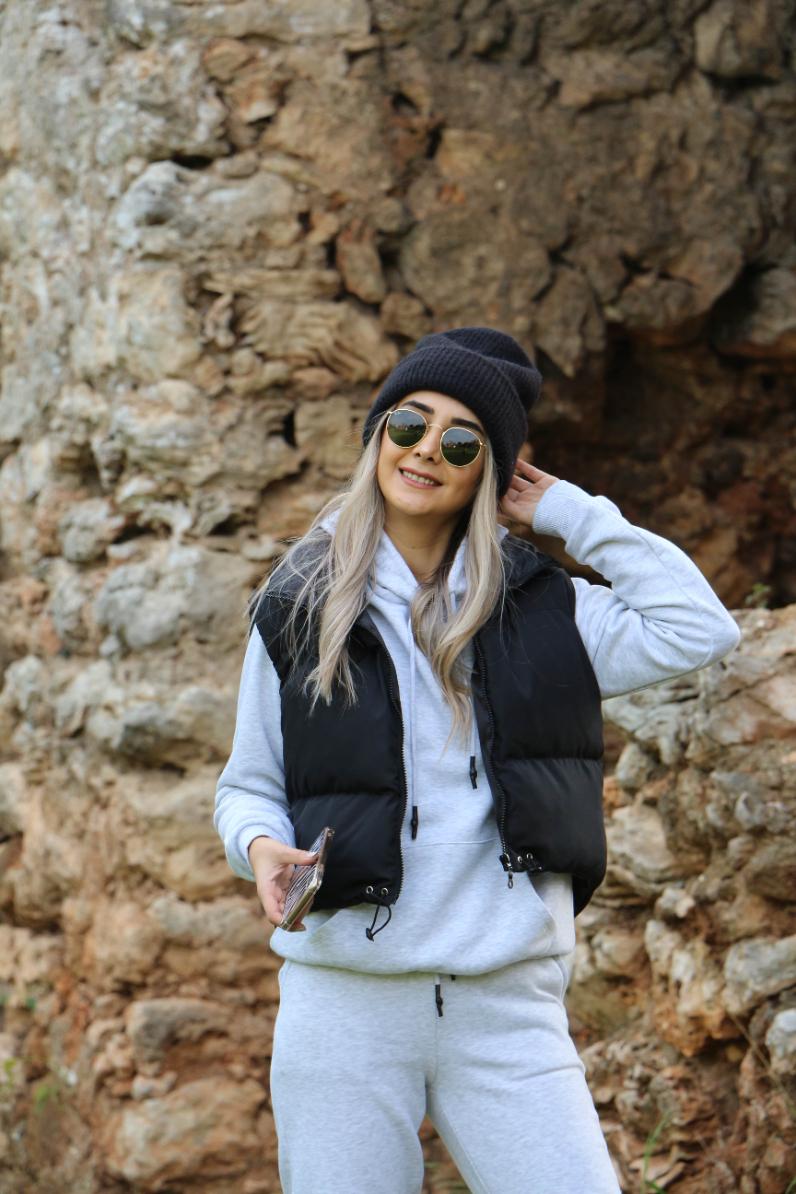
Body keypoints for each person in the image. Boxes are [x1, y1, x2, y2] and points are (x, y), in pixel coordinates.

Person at [215, 328, 740, 1194]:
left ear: (490, 474)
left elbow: (699, 626)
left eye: (462, 442)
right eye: (409, 424)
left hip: (507, 1005)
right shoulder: (299, 605)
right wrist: (260, 847)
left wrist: (569, 512)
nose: (427, 450)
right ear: (378, 436)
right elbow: (248, 786)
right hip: (344, 1004)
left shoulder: (546, 611)